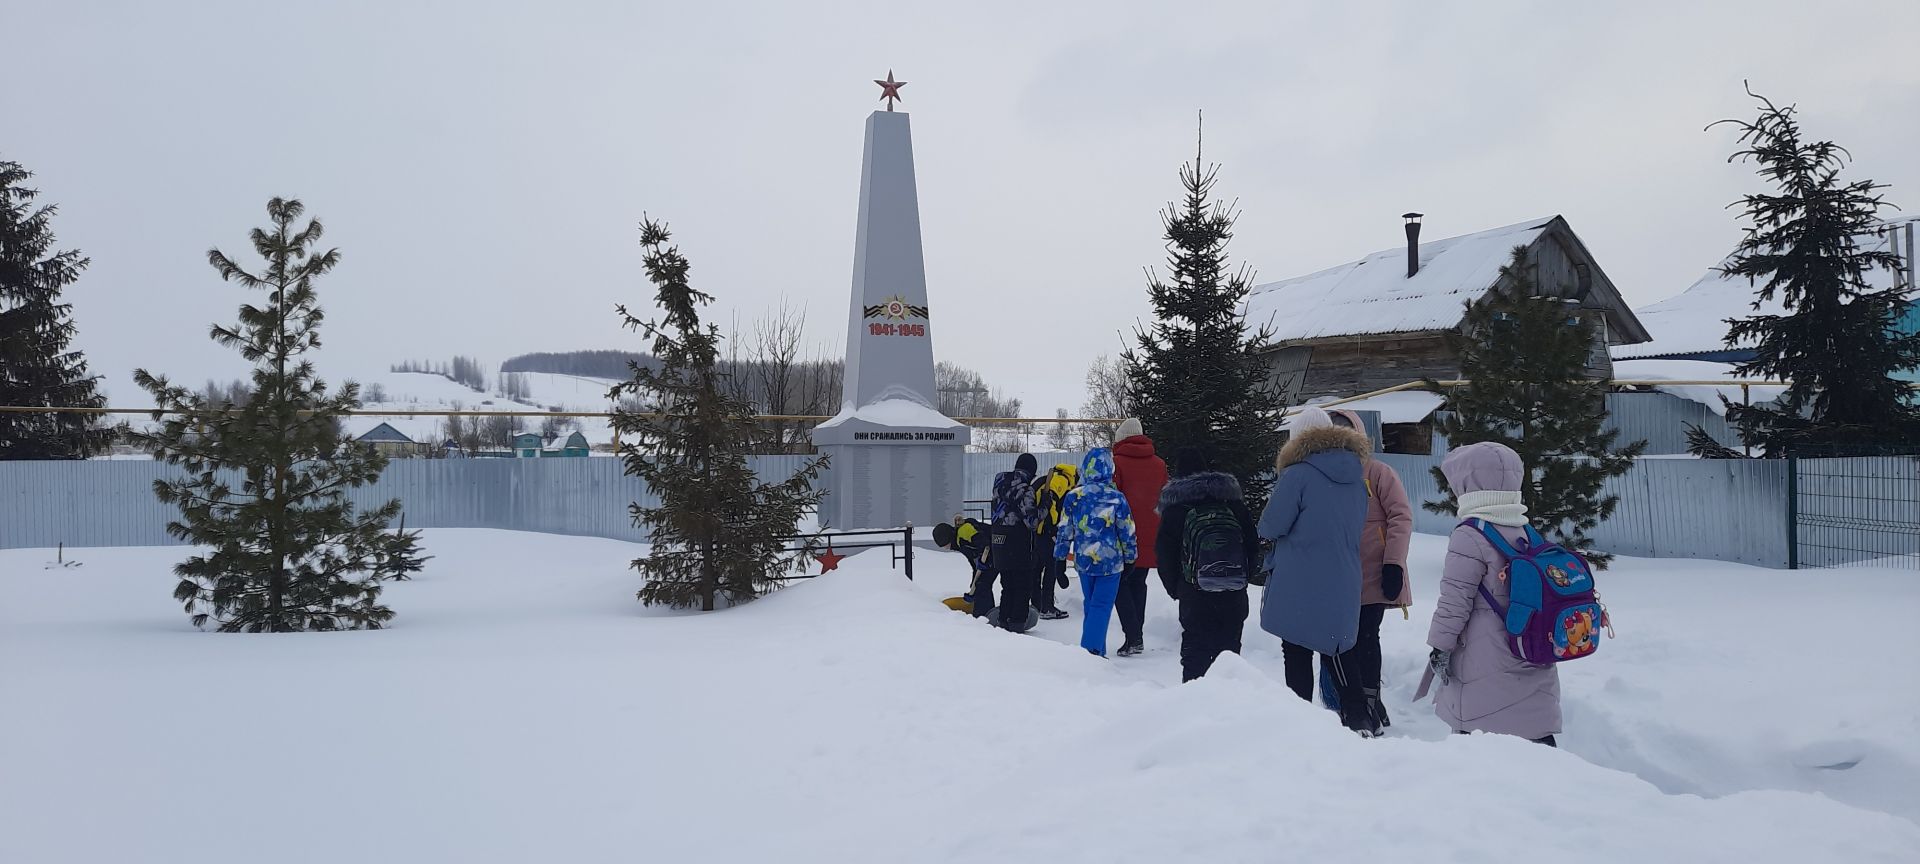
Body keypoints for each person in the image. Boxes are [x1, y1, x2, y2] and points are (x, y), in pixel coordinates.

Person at [1423, 441, 1562, 746]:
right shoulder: (1525, 530)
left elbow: (1454, 602)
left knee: (1481, 740)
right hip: (1531, 647)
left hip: (1485, 655)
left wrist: (1439, 647)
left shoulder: (1470, 535)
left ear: (1467, 485)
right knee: (1534, 733)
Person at [1256, 406, 1376, 735]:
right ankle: (1358, 718)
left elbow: (1271, 524)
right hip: (1344, 573)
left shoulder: (1297, 475)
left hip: (1299, 575)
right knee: (1339, 647)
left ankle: (1300, 720)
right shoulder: (1357, 475)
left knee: (1295, 647)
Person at [1330, 409, 1414, 728]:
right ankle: (1361, 705)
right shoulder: (1324, 475)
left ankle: (1370, 701)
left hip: (1374, 571)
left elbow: (1401, 517)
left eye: (1345, 433)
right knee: (1345, 640)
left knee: (1367, 636)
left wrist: (1393, 563)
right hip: (1338, 573)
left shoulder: (1378, 472)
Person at [1155, 446, 1259, 682]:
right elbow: (1253, 546)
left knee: (1195, 654)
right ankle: (1230, 706)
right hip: (1233, 592)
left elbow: (1164, 555)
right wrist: (1242, 578)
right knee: (1231, 656)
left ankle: (1195, 707)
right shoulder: (1234, 505)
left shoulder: (1175, 510)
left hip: (1195, 593)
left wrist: (1177, 588)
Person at [1054, 448, 1137, 657]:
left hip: (1084, 562)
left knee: (1091, 606)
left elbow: (1064, 530)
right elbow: (1126, 530)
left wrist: (1060, 558)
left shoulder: (1073, 497)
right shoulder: (1117, 498)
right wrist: (1130, 558)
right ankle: (1089, 655)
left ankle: (1098, 653)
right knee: (1100, 607)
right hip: (1111, 563)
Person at [1110, 417, 1168, 657]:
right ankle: (1137, 636)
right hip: (1151, 533)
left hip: (1123, 534)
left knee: (1119, 584)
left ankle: (1132, 636)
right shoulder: (1160, 464)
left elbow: (1113, 500)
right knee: (1138, 582)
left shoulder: (1116, 463)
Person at [988, 453, 1044, 632]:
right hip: (1017, 544)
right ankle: (1017, 625)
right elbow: (1032, 522)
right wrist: (1044, 507)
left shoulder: (999, 484)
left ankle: (1004, 621)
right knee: (1022, 587)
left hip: (999, 542)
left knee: (1007, 586)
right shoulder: (1025, 490)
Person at [1031, 461, 1079, 620]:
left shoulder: (1049, 477)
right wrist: (1052, 526)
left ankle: (1037, 604)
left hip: (1037, 531)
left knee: (1037, 568)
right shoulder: (1062, 480)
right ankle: (1047, 607)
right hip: (1047, 532)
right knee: (1050, 569)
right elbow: (1050, 499)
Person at [933, 515, 993, 614]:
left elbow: (985, 543)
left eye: (945, 545)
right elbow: (973, 560)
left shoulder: (964, 531)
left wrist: (986, 561)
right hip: (990, 558)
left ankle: (984, 616)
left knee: (982, 586)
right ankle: (986, 613)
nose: (945, 548)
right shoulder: (959, 542)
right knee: (980, 584)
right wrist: (974, 581)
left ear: (948, 538)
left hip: (998, 551)